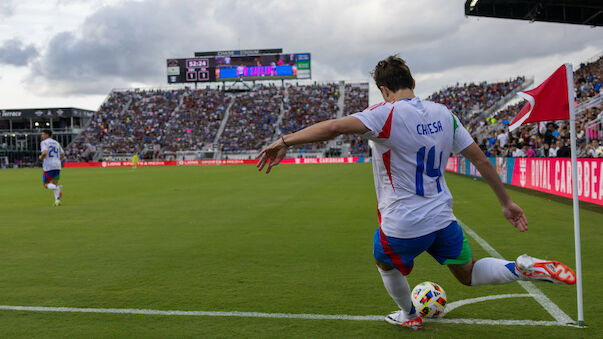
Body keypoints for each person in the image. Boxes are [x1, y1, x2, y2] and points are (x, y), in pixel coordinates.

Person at [256, 56, 576, 330]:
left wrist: (285, 141)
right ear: (412, 81)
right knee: (468, 273)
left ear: (384, 89)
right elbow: (479, 158)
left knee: (383, 260)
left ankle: (408, 314)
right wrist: (506, 202)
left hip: (404, 222)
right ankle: (520, 267)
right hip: (442, 217)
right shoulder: (443, 113)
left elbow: (335, 127)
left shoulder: (385, 113)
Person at [39, 129, 64, 206]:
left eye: (43, 134)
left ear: (47, 135)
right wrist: (56, 159)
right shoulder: (57, 143)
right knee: (54, 183)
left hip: (49, 165)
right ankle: (57, 201)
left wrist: (41, 157)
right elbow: (62, 155)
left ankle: (58, 188)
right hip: (57, 165)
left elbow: (45, 152)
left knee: (46, 184)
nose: (42, 136)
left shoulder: (44, 142)